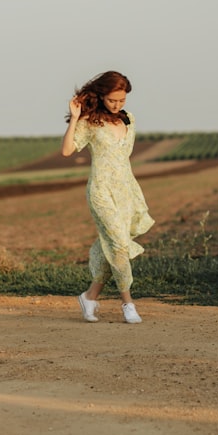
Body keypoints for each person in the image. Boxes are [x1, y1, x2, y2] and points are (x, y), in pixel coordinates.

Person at [60, 70, 154, 324]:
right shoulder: (90, 122)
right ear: (102, 96)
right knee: (119, 245)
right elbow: (68, 150)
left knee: (113, 244)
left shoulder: (129, 120)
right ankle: (128, 303)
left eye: (122, 100)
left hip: (126, 189)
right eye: (112, 100)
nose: (117, 105)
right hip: (101, 191)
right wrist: (76, 117)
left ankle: (90, 296)